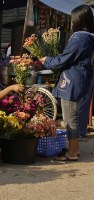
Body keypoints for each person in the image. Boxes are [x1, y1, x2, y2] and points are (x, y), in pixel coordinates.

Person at [40, 5, 94, 161]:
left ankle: (72, 152)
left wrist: (47, 61)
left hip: (72, 81)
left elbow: (64, 60)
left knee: (70, 118)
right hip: (81, 79)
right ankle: (73, 150)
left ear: (78, 20)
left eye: (72, 18)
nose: (71, 22)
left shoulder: (79, 38)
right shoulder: (89, 37)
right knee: (73, 116)